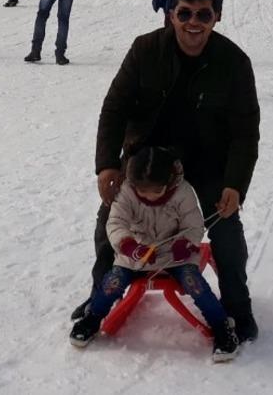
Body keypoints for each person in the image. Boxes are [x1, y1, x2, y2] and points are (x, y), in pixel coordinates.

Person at [79, 0, 260, 343]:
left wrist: (234, 185)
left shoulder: (234, 62)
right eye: (185, 13)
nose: (194, 22)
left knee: (225, 224)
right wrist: (107, 165)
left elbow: (245, 130)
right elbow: (114, 108)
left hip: (206, 158)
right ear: (171, 15)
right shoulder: (145, 50)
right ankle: (99, 294)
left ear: (217, 17)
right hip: (148, 155)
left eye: (204, 14)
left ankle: (238, 306)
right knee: (109, 215)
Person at [69, 145, 241, 361]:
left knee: (193, 282)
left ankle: (221, 326)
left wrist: (185, 244)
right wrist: (129, 246)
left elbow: (194, 225)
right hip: (136, 254)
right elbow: (115, 223)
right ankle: (93, 317)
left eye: (156, 191)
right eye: (143, 192)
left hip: (174, 255)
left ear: (169, 180)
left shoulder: (182, 192)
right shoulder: (127, 192)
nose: (149, 197)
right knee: (113, 281)